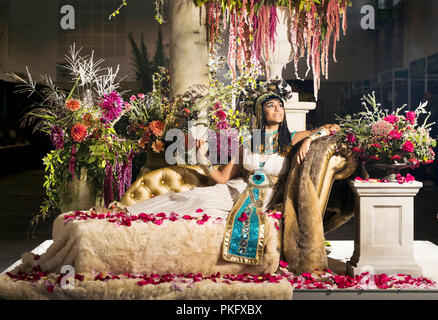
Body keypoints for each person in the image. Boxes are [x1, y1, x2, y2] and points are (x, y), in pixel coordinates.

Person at [126, 91, 337, 264]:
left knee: (207, 210)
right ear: (260, 111)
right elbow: (221, 177)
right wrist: (202, 157)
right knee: (197, 197)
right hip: (236, 189)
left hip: (265, 197)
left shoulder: (291, 139)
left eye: (280, 105)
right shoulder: (249, 143)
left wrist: (310, 140)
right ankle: (130, 213)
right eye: (271, 105)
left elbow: (332, 129)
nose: (277, 109)